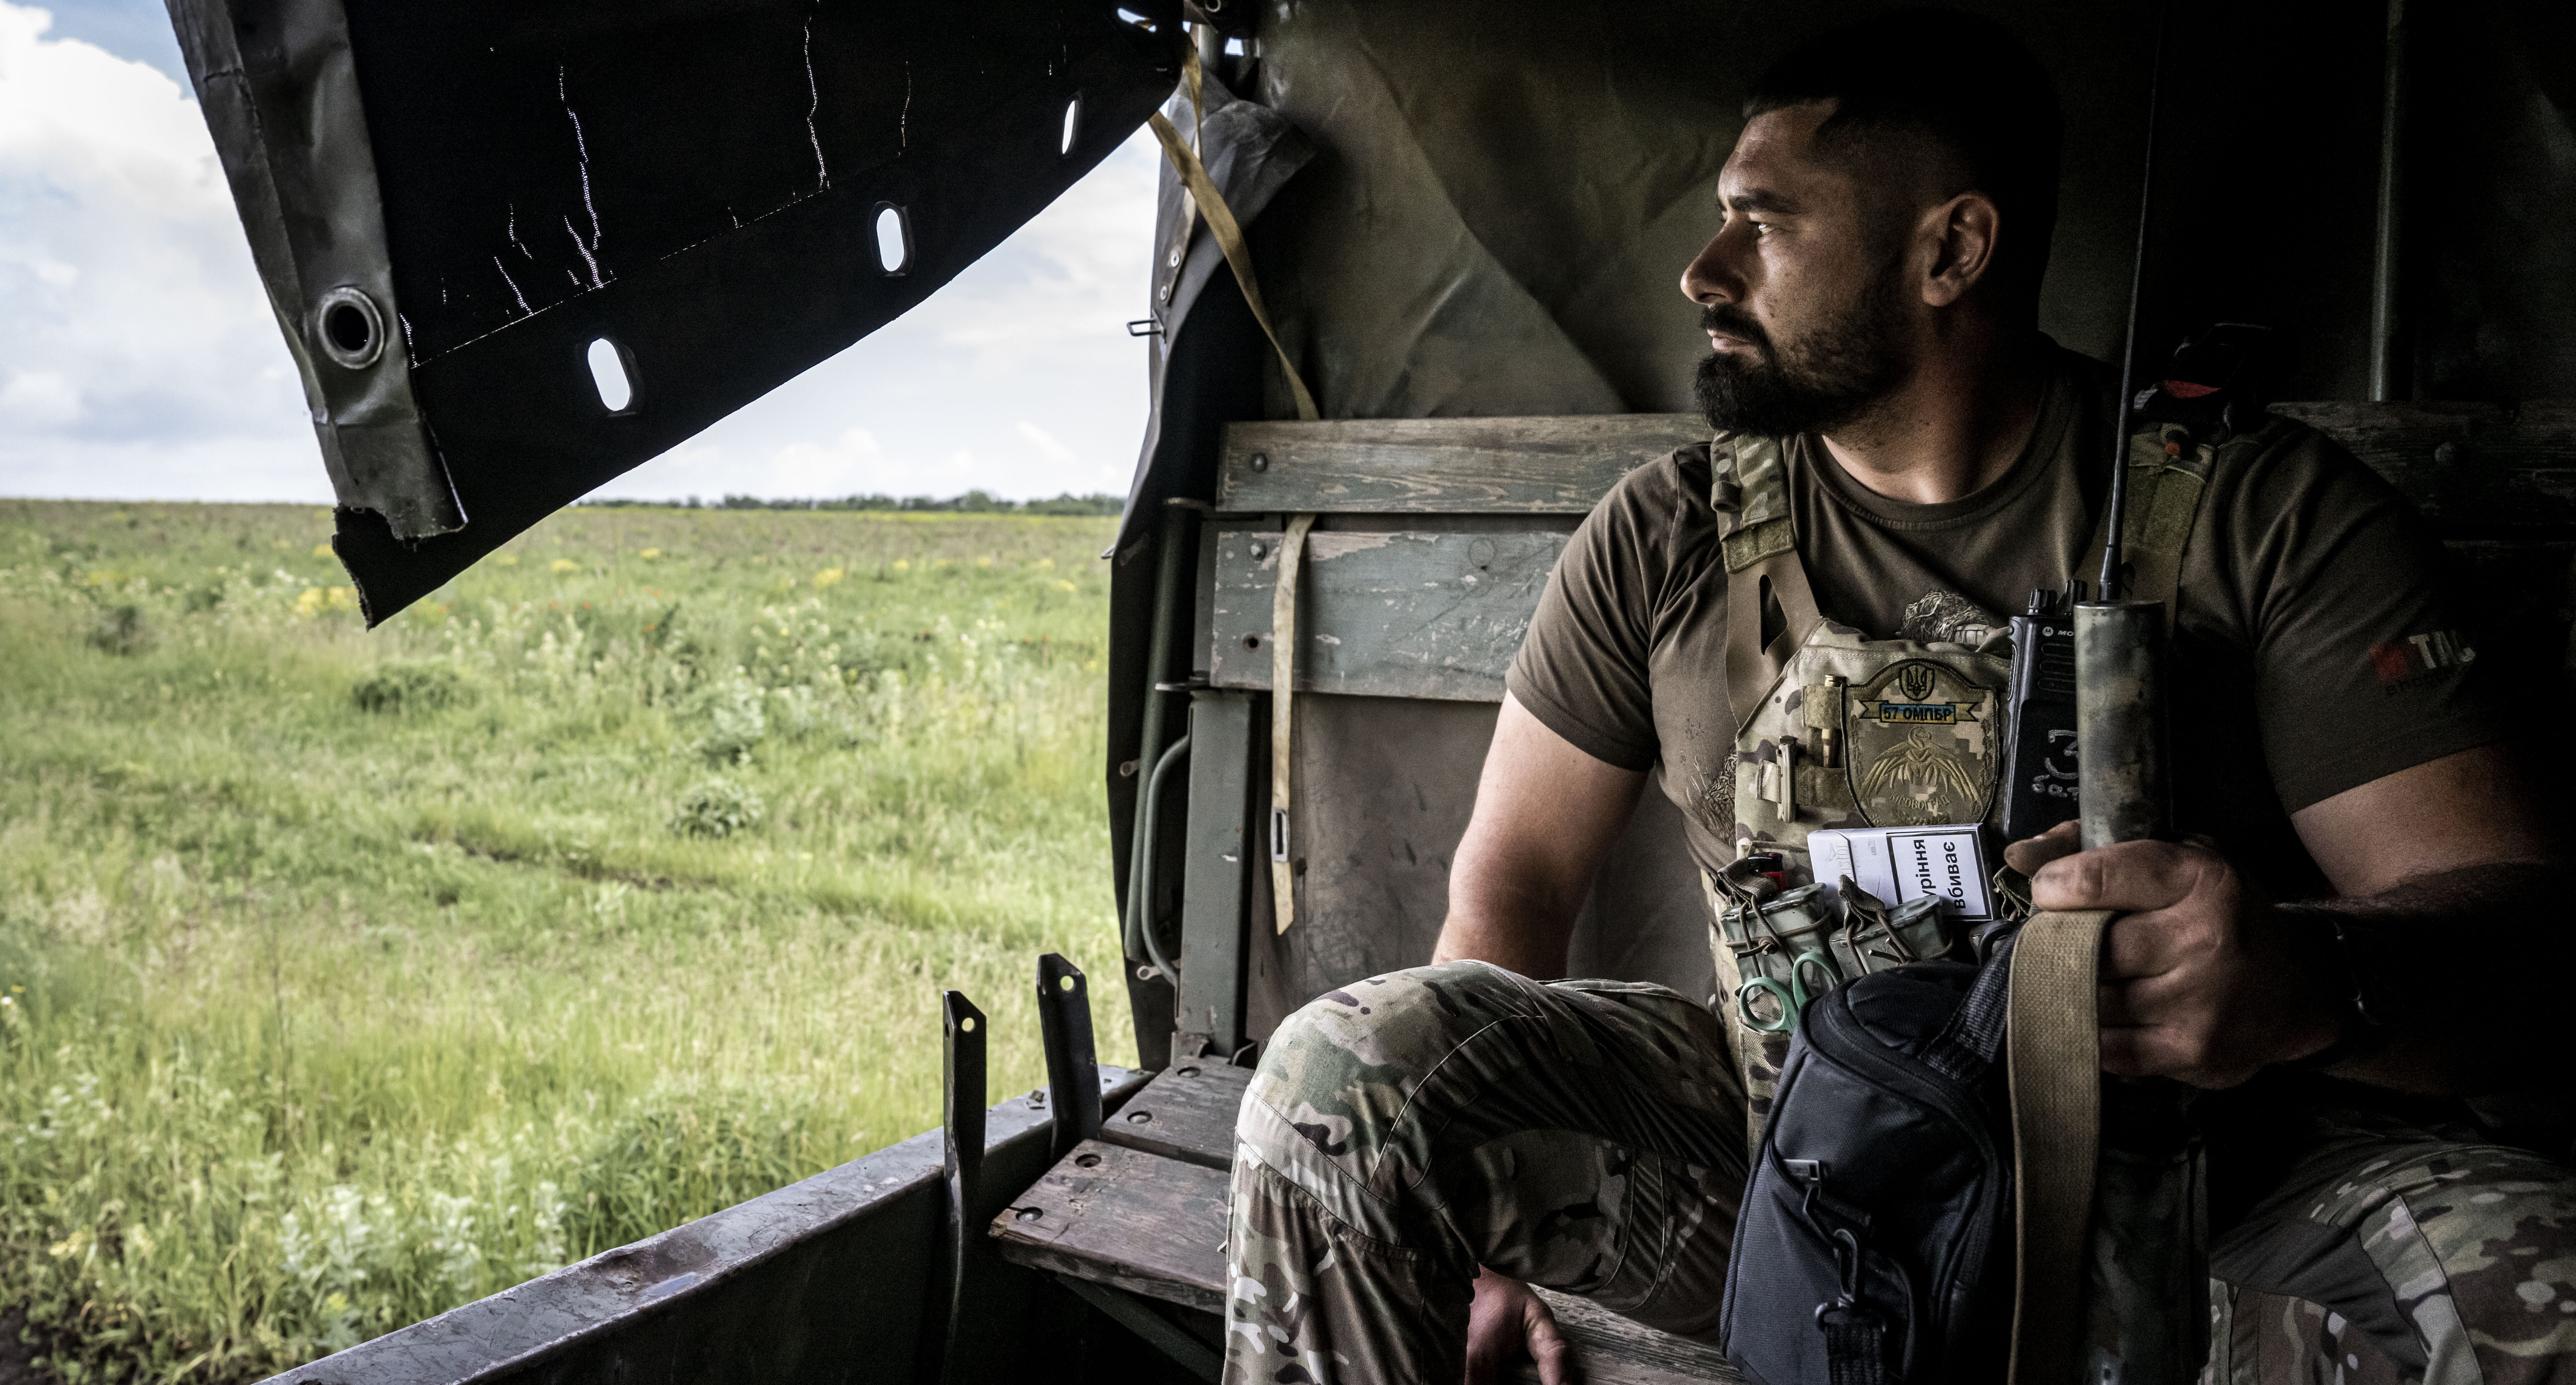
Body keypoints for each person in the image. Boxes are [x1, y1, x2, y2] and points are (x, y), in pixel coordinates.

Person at [1219, 10, 2574, 1384]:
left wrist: (2302, 976)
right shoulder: (1669, 532)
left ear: (1951, 249)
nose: (1701, 272)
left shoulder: (2253, 515)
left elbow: (2516, 929)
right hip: (1786, 1172)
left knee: (2540, 1273)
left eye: (1764, 223)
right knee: (1348, 1070)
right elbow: (1508, 884)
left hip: (2204, 1203)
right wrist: (1483, 1242)